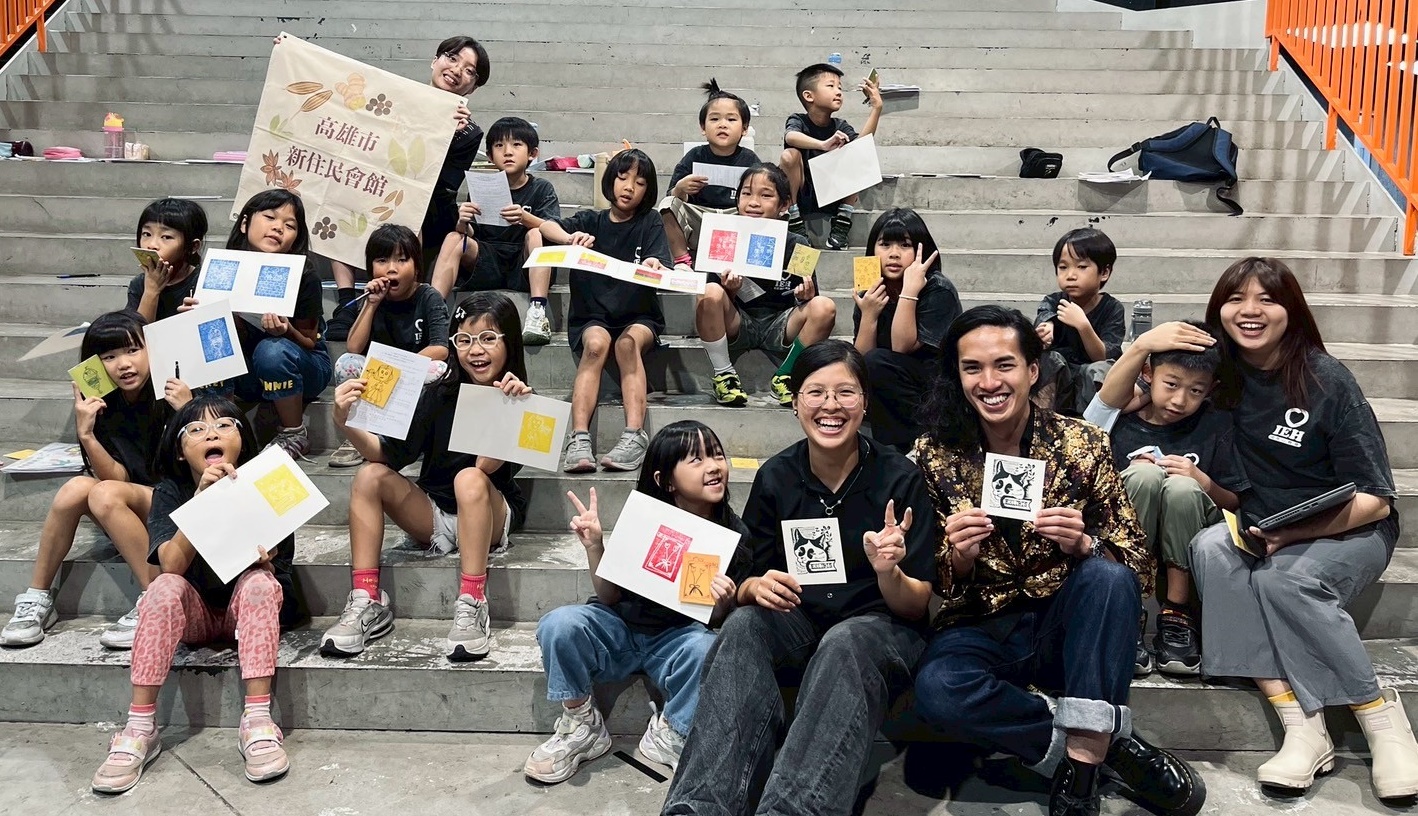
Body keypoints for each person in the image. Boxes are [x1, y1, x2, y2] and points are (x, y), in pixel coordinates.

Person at [910, 305, 1204, 816]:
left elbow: (1137, 565)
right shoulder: (933, 455)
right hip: (979, 623)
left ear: (1032, 370)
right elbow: (931, 580)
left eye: (1004, 364)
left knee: (1107, 577)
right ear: (956, 376)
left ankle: (1082, 776)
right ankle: (1109, 744)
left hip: (1070, 626)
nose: (989, 382)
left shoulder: (1082, 442)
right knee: (939, 691)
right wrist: (957, 557)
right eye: (972, 368)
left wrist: (1084, 544)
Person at [661, 340, 937, 816]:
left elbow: (916, 605)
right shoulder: (777, 476)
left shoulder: (899, 477)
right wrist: (753, 587)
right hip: (801, 620)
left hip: (880, 628)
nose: (831, 405)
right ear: (795, 402)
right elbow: (750, 576)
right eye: (816, 392)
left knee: (846, 642)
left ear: (865, 403)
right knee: (744, 626)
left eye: (845, 392)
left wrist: (887, 571)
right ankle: (700, 806)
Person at [1189, 257, 1418, 798]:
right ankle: (1302, 726)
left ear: (1291, 310)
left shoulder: (1326, 379)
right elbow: (1119, 403)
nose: (1249, 311)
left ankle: (1380, 719)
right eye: (1235, 298)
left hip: (1348, 529)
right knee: (1211, 547)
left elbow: (1375, 500)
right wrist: (1142, 348)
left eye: (1266, 299)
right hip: (1261, 524)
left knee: (1283, 579)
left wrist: (1292, 535)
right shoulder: (1218, 372)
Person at [90, 395, 302, 794]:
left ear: (243, 440)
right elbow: (171, 565)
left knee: (260, 582)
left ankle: (257, 719)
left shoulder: (268, 484)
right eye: (197, 429)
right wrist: (202, 502)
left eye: (224, 425)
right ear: (179, 450)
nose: (211, 434)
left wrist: (268, 557)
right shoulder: (169, 491)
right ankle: (140, 726)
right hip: (195, 613)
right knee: (162, 587)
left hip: (246, 608)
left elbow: (280, 570)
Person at [525, 421, 751, 783]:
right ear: (665, 480)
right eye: (696, 460)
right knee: (559, 623)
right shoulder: (645, 520)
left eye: (717, 455)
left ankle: (671, 732)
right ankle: (581, 723)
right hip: (620, 628)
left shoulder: (734, 534)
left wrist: (723, 603)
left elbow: (714, 622)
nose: (713, 466)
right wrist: (595, 546)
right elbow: (609, 595)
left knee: (708, 648)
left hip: (679, 638)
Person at [321, 292, 530, 661]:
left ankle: (472, 601)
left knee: (468, 478)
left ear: (509, 342)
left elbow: (486, 467)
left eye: (487, 338)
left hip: (490, 514)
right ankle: (367, 599)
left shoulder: (522, 398)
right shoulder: (437, 393)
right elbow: (387, 455)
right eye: (463, 339)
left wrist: (507, 409)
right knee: (369, 476)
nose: (475, 350)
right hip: (434, 512)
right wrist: (344, 420)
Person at [1, 312, 191, 650]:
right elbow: (117, 478)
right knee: (76, 488)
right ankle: (37, 598)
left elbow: (206, 470)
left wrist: (188, 414)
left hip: (179, 507)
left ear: (152, 349)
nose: (124, 364)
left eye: (132, 350)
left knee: (104, 494)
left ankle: (155, 597)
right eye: (109, 356)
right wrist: (87, 435)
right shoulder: (103, 404)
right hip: (134, 502)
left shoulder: (177, 391)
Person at [1083, 319, 1247, 678]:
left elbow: (1234, 501)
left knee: (1183, 487)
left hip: (1189, 530)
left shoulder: (1215, 424)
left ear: (1211, 389)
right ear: (1148, 374)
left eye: (1195, 390)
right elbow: (1093, 423)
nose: (1179, 399)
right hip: (1126, 535)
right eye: (1171, 384)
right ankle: (1128, 608)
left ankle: (1177, 612)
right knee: (1144, 475)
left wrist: (1203, 480)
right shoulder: (1121, 420)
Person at [325, 34, 491, 339]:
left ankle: (417, 308)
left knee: (411, 204)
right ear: (435, 61)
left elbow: (442, 185)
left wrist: (445, 135)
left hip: (431, 209)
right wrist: (291, 57)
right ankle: (346, 303)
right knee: (343, 191)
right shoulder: (393, 101)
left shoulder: (468, 132)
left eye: (469, 70)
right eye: (452, 58)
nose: (457, 70)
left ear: (473, 87)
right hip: (378, 190)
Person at [540, 148, 671, 473]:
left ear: (648, 190)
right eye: (623, 178)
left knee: (626, 345)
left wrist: (654, 263)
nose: (629, 187)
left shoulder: (650, 221)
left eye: (640, 182)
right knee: (596, 345)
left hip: (639, 316)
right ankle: (579, 437)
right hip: (592, 316)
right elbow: (545, 227)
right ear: (610, 180)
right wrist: (569, 238)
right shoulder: (589, 221)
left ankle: (634, 435)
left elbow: (660, 261)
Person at [694, 162, 835, 407]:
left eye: (766, 195)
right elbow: (710, 302)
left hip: (781, 323)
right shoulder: (723, 237)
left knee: (824, 306)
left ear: (784, 205)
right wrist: (730, 291)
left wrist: (805, 296)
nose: (753, 202)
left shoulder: (798, 243)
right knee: (709, 292)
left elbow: (810, 300)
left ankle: (787, 375)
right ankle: (724, 374)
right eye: (746, 193)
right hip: (738, 321)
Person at [429, 116, 561, 345]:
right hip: (487, 260)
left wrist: (525, 218)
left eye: (516, 145)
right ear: (490, 156)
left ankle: (537, 312)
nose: (507, 152)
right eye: (499, 146)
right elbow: (470, 235)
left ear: (532, 153)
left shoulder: (541, 188)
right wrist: (462, 222)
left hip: (523, 264)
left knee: (535, 234)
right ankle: (432, 311)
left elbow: (553, 230)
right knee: (453, 237)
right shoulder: (482, 187)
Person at [327, 225, 451, 468]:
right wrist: (371, 304)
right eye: (382, 260)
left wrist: (400, 367)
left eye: (402, 260)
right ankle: (358, 435)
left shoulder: (429, 296)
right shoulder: (373, 298)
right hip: (378, 379)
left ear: (416, 266)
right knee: (347, 363)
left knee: (439, 370)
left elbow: (440, 348)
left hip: (411, 374)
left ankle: (416, 437)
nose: (391, 268)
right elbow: (354, 346)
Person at [225, 190, 333, 459]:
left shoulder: (304, 274)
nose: (278, 227)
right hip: (249, 373)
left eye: (289, 225)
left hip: (304, 364)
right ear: (244, 223)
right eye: (270, 217)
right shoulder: (224, 269)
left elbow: (309, 341)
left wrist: (286, 331)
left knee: (272, 349)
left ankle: (294, 433)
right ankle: (220, 427)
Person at [852, 208, 961, 452]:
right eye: (885, 244)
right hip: (889, 379)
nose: (894, 254)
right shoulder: (870, 286)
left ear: (921, 249)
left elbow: (901, 347)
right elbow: (862, 361)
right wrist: (868, 314)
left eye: (905, 245)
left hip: (937, 383)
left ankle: (917, 447)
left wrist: (909, 291)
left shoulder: (937, 288)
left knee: (879, 363)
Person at [779, 62, 882, 249]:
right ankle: (793, 219)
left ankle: (842, 222)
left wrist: (876, 108)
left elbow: (862, 146)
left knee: (857, 152)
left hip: (832, 194)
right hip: (803, 194)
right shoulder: (798, 120)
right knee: (789, 155)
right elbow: (790, 136)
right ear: (809, 96)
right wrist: (822, 145)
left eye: (840, 88)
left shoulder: (840, 125)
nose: (839, 92)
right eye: (831, 86)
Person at [660, 80, 760, 271]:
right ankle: (682, 261)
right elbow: (672, 197)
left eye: (731, 120)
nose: (722, 125)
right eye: (714, 119)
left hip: (735, 218)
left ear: (745, 128)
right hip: (701, 218)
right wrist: (681, 188)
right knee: (667, 204)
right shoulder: (694, 156)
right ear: (703, 128)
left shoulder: (750, 159)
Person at [1034, 228, 1126, 415]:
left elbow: (1102, 357)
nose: (1070, 275)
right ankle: (1042, 421)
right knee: (1048, 359)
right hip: (1061, 375)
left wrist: (1083, 326)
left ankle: (1094, 425)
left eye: (1081, 267)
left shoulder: (1112, 308)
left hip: (1090, 377)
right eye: (1063, 267)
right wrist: (1046, 329)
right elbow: (1045, 319)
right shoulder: (1054, 301)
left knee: (1102, 369)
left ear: (1104, 272)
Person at [126, 198, 208, 323]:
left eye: (166, 237)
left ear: (193, 246)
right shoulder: (139, 284)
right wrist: (151, 291)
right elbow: (137, 333)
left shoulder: (203, 282)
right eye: (147, 234)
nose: (152, 245)